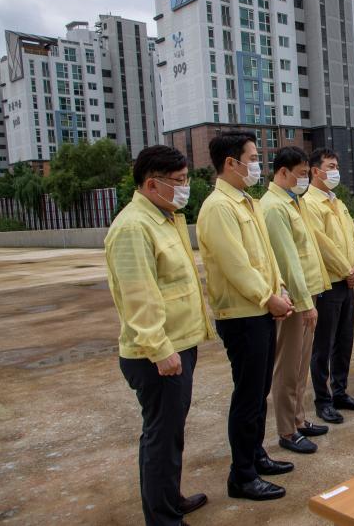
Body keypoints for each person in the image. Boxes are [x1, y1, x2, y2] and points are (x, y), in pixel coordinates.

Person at [106, 146, 213, 525]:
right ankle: (162, 517)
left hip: (180, 344)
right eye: (180, 181)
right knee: (160, 436)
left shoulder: (164, 218)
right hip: (157, 354)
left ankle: (170, 497)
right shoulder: (134, 227)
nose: (186, 188)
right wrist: (160, 349)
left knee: (171, 434)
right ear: (152, 184)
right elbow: (139, 297)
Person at [197, 132, 295, 501]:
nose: (257, 164)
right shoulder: (219, 207)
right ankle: (241, 475)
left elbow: (265, 255)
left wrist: (279, 286)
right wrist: (267, 297)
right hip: (242, 314)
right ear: (230, 163)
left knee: (259, 393)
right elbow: (235, 263)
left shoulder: (246, 202)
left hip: (261, 307)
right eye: (252, 158)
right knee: (248, 395)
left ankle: (256, 456)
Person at [260, 146, 331, 455]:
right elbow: (288, 260)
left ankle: (299, 419)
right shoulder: (274, 207)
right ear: (282, 172)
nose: (305, 179)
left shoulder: (293, 202)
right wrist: (304, 303)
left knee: (301, 365)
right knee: (288, 367)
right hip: (296, 300)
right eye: (301, 174)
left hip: (309, 293)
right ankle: (287, 431)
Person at [303, 149, 354, 424]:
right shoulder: (308, 202)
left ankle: (340, 391)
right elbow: (322, 243)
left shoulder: (338, 202)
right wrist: (346, 270)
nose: (335, 171)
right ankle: (323, 399)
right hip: (328, 283)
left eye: (337, 165)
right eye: (330, 166)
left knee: (344, 341)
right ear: (315, 171)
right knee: (323, 344)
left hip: (347, 281)